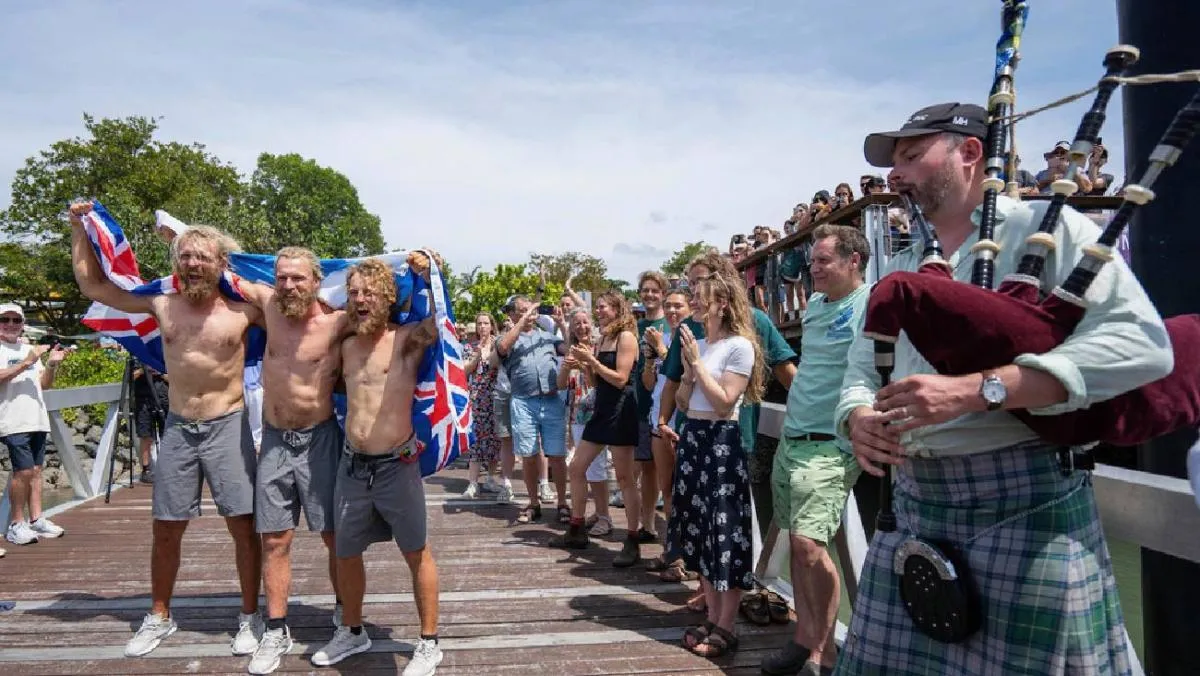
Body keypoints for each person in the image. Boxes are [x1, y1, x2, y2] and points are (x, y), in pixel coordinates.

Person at [833, 102, 1172, 674]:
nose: (897, 175)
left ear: (969, 154)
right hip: (914, 505)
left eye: (913, 156)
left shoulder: (1048, 228)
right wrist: (856, 418)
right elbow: (862, 369)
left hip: (1023, 499)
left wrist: (978, 390)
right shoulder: (906, 265)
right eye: (896, 164)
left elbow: (1142, 345)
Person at [68, 202, 265, 659]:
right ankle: (159, 615)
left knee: (243, 525)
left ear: (221, 264)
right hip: (178, 427)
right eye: (186, 257)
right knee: (165, 528)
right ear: (177, 261)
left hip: (228, 425)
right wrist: (79, 228)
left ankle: (250, 614)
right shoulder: (161, 303)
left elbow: (309, 303)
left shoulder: (244, 310)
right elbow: (93, 284)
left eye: (202, 257)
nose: (193, 264)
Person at [310, 255, 444, 676]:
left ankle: (428, 642)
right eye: (353, 293)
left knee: (416, 551)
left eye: (369, 292)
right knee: (346, 551)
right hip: (353, 467)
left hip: (396, 465)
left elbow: (442, 321)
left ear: (388, 298)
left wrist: (432, 272)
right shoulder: (346, 345)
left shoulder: (406, 338)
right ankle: (353, 631)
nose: (360, 299)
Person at [232, 247, 352, 675]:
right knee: (275, 539)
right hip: (276, 442)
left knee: (334, 536)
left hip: (321, 439)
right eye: (282, 277)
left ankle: (346, 614)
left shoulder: (338, 322)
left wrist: (422, 266)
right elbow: (223, 272)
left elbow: (392, 310)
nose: (288, 285)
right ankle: (276, 626)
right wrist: (178, 233)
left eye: (298, 278)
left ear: (317, 281)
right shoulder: (268, 305)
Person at [760, 225, 870, 676]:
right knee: (796, 541)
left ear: (854, 261)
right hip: (793, 439)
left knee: (808, 545)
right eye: (813, 262)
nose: (813, 269)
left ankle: (826, 654)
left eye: (823, 261)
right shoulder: (815, 308)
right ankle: (804, 637)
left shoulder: (870, 304)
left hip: (832, 443)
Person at [672, 274, 766, 659]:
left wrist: (698, 365)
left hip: (721, 442)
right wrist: (690, 372)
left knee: (725, 530)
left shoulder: (739, 346)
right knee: (699, 528)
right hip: (694, 436)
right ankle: (712, 616)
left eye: (700, 297)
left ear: (722, 304)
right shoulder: (702, 345)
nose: (694, 302)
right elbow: (682, 401)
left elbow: (726, 402)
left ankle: (727, 625)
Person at [0, 303, 67, 548]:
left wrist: (51, 364)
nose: (10, 325)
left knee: (37, 470)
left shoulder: (30, 349)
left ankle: (36, 518)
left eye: (15, 320)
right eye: (4, 319)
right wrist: (26, 362)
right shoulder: (19, 353)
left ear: (22, 324)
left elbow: (44, 384)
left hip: (36, 417)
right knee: (24, 471)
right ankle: (16, 524)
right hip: (11, 419)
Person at [131, 361, 169, 484]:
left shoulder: (163, 354)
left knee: (169, 434)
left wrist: (160, 372)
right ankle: (146, 470)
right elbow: (129, 378)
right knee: (145, 435)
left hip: (164, 398)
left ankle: (170, 467)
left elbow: (176, 379)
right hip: (143, 400)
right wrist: (143, 370)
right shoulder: (137, 355)